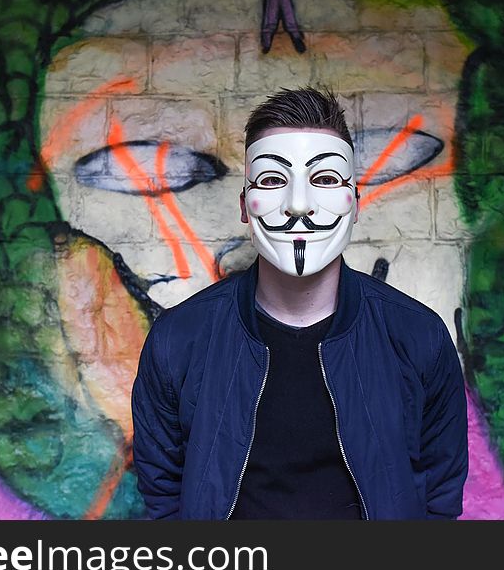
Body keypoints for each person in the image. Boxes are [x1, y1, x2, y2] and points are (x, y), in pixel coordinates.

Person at [131, 87, 468, 519]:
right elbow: (162, 496)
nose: (298, 205)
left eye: (325, 179)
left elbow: (441, 493)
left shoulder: (417, 336)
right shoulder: (178, 341)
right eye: (272, 181)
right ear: (244, 207)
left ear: (355, 203)